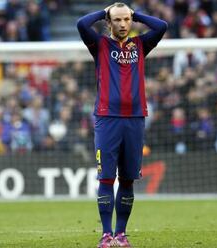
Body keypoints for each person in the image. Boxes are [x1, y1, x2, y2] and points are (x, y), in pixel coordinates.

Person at [76, 3, 167, 247]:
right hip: (107, 119)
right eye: (117, 20)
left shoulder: (140, 45)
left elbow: (162, 26)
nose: (123, 24)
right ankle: (106, 235)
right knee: (106, 178)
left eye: (127, 19)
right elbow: (81, 24)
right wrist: (104, 11)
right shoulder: (100, 45)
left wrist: (136, 14)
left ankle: (121, 234)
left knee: (127, 180)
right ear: (109, 22)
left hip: (136, 119)